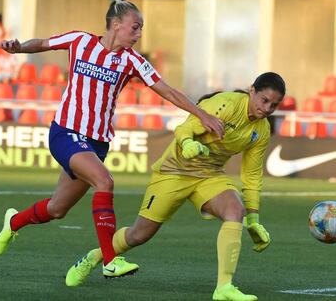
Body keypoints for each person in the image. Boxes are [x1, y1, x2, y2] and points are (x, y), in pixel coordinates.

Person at [0, 0, 224, 281]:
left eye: (141, 28)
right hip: (66, 131)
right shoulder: (80, 41)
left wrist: (202, 113)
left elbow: (167, 90)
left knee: (57, 209)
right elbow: (41, 43)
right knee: (105, 181)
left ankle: (13, 222)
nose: (139, 33)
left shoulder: (132, 60)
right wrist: (19, 48)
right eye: (135, 27)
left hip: (98, 142)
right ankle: (110, 261)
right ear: (116, 24)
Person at [65, 72, 286, 301]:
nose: (268, 108)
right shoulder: (225, 104)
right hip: (174, 171)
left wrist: (253, 218)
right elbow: (184, 129)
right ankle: (93, 257)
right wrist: (188, 143)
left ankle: (224, 287)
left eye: (275, 104)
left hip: (209, 175)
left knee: (235, 211)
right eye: (265, 100)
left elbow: (251, 175)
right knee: (139, 235)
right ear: (252, 90)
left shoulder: (261, 130)